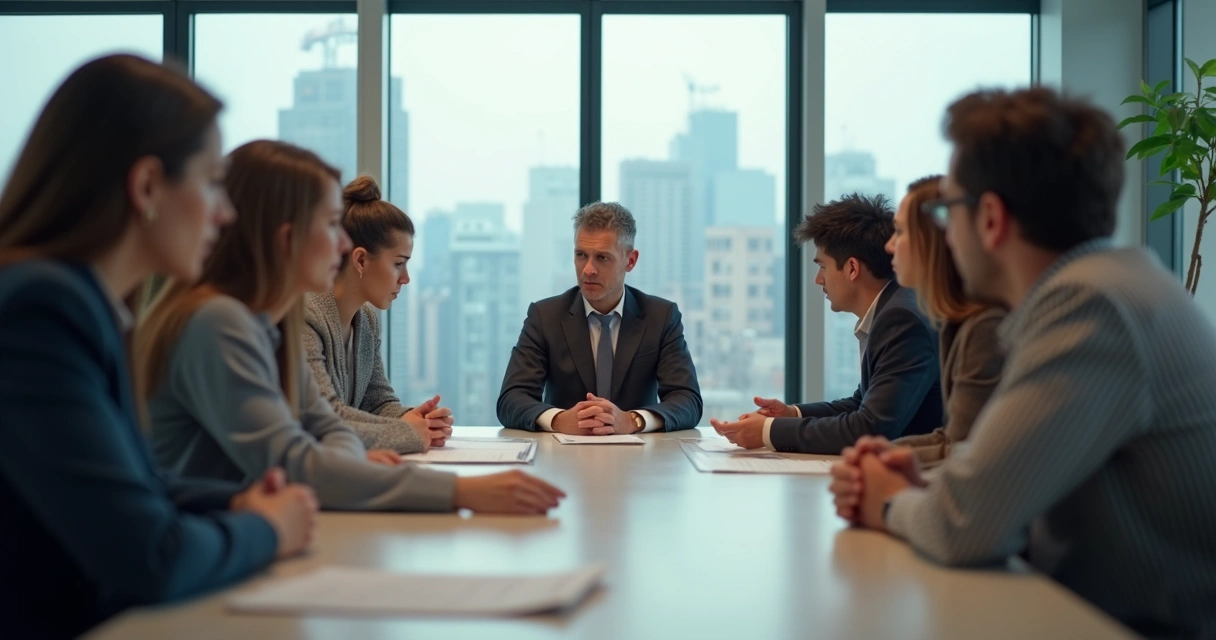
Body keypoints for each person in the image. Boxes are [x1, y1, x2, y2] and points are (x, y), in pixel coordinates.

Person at [829, 87, 1216, 638]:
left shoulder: (1089, 308)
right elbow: (988, 489)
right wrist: (925, 489)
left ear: (990, 219)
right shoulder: (1119, 283)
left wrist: (889, 504)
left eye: (948, 210)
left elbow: (961, 527)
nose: (945, 233)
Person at [0, 55, 317, 639]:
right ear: (147, 186)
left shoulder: (87, 302)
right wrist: (269, 530)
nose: (224, 213)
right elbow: (150, 555)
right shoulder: (40, 310)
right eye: (212, 182)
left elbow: (126, 481)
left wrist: (240, 500)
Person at [136, 140, 565, 515]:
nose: (342, 244)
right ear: (286, 238)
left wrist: (346, 461)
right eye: (329, 225)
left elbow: (321, 430)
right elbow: (303, 459)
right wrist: (460, 491)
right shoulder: (221, 322)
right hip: (204, 546)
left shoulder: (267, 322)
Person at [711, 194, 941, 454]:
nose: (818, 280)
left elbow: (869, 428)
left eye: (823, 267)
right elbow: (861, 403)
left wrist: (767, 432)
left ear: (852, 268)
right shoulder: (893, 308)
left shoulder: (901, 319)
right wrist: (791, 414)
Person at [497, 201, 702, 434]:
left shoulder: (661, 317)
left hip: (639, 461)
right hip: (563, 459)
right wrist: (559, 420)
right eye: (581, 255)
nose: (588, 269)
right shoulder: (545, 317)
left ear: (630, 260)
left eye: (602, 258)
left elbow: (688, 401)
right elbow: (511, 399)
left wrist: (633, 420)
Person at [303, 175, 451, 454]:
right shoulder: (305, 315)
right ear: (360, 260)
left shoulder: (367, 319)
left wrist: (421, 421)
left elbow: (378, 402)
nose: (405, 279)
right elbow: (323, 419)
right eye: (398, 264)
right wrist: (408, 433)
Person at [885, 175, 1006, 466]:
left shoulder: (985, 326)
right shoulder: (955, 321)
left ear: (934, 240)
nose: (889, 246)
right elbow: (949, 436)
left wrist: (882, 458)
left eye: (899, 232)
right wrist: (880, 454)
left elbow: (962, 449)